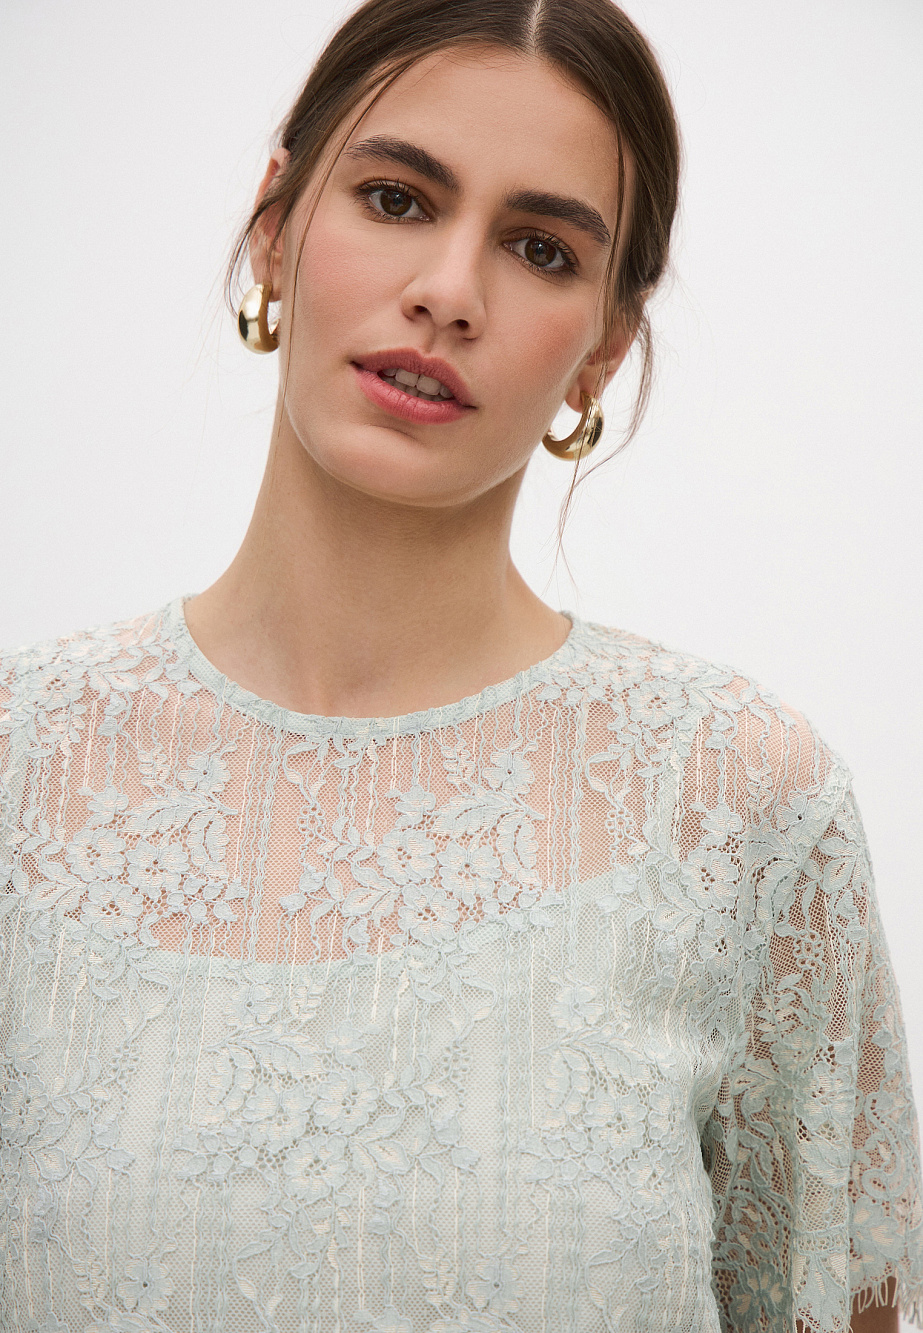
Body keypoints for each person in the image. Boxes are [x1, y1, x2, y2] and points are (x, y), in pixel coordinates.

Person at [0, 0, 920, 1328]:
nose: (448, 291)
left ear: (606, 344)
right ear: (274, 224)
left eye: (541, 248)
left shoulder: (740, 806)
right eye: (396, 198)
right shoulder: (23, 765)